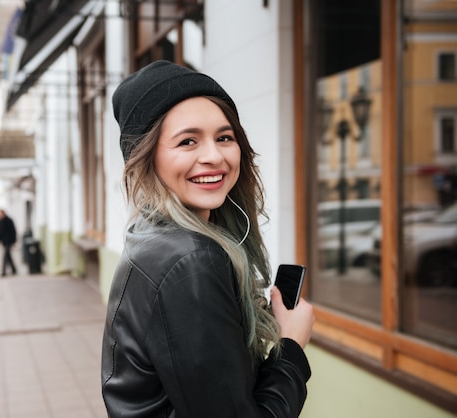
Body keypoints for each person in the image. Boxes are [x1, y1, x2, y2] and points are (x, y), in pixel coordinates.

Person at [101, 61, 315, 417]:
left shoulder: (150, 237)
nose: (214, 156)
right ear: (147, 157)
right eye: (188, 141)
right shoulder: (190, 259)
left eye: (224, 137)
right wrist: (292, 345)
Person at [0, 209, 17, 277]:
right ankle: (14, 270)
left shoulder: (9, 221)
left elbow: (13, 231)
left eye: (0, 214)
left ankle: (4, 271)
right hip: (3, 242)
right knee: (8, 256)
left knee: (5, 257)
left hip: (9, 241)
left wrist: (14, 241)